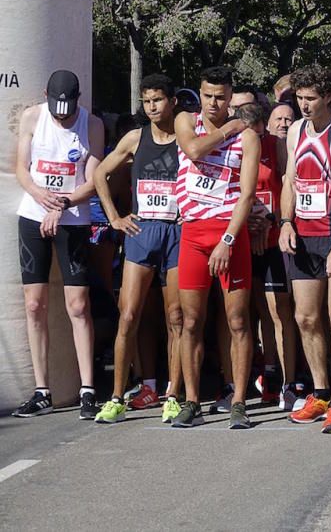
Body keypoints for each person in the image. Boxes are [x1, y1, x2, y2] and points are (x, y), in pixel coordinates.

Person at [171, 66, 260, 429]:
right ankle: (192, 400)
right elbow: (192, 150)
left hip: (229, 235)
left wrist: (228, 239)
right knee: (190, 320)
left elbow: (248, 193)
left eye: (221, 97)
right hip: (193, 234)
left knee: (237, 320)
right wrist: (225, 129)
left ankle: (238, 401)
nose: (213, 102)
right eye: (208, 95)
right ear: (200, 94)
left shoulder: (248, 138)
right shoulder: (186, 121)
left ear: (230, 96)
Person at [91, 74, 184, 424]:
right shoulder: (135, 137)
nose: (153, 107)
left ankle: (172, 394)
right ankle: (116, 395)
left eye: (158, 100)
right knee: (128, 314)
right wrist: (114, 217)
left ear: (172, 101)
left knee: (176, 317)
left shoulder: (185, 137)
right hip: (141, 230)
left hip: (175, 231)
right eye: (147, 101)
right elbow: (100, 173)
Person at [12, 70, 105, 419]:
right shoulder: (33, 116)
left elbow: (93, 180)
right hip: (34, 215)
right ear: (45, 96)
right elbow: (22, 169)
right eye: (57, 109)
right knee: (34, 304)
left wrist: (63, 204)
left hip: (73, 219)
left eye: (68, 110)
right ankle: (41, 389)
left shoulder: (92, 125)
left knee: (78, 305)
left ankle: (87, 388)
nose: (62, 115)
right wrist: (41, 197)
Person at [278, 64, 331, 434]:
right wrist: (284, 222)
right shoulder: (295, 130)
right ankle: (321, 392)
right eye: (299, 98)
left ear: (329, 97)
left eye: (311, 98)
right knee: (306, 319)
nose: (304, 105)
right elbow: (290, 181)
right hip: (303, 233)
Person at [233, 103, 299, 410]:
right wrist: (248, 222)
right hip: (242, 239)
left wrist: (271, 219)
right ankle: (248, 381)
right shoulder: (230, 146)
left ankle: (286, 381)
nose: (254, 139)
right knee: (244, 312)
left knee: (277, 310)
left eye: (259, 132)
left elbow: (289, 185)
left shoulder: (277, 146)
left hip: (272, 239)